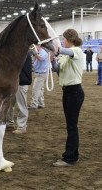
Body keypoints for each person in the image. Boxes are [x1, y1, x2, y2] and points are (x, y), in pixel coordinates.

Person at [51, 29, 85, 167]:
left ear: (69, 39)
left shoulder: (76, 50)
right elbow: (58, 69)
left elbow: (67, 52)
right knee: (71, 125)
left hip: (74, 92)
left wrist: (56, 48)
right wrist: (53, 60)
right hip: (68, 92)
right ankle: (72, 155)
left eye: (64, 38)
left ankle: (70, 158)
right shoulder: (65, 55)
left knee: (72, 126)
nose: (63, 40)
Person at [7, 51, 33, 134]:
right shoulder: (21, 52)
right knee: (10, 103)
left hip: (21, 82)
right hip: (15, 82)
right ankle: (9, 123)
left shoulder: (24, 53)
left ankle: (22, 127)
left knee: (21, 105)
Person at [28, 45, 48, 110]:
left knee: (35, 89)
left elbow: (40, 58)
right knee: (40, 89)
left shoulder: (43, 52)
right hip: (39, 73)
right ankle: (41, 103)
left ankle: (34, 104)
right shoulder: (40, 52)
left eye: (35, 46)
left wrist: (35, 53)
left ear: (39, 46)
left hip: (41, 73)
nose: (35, 48)